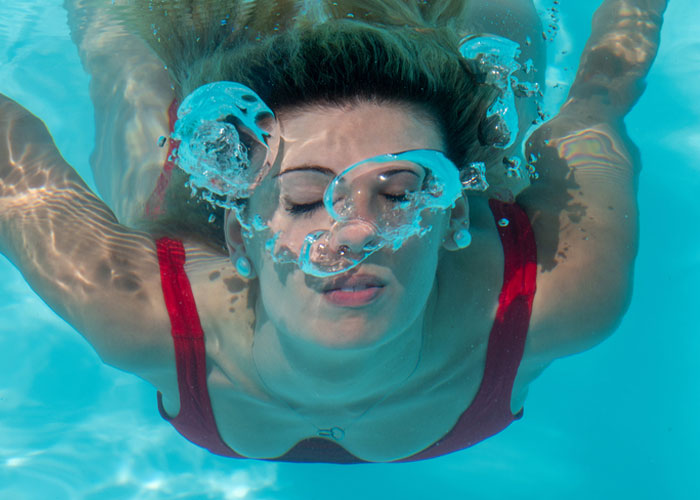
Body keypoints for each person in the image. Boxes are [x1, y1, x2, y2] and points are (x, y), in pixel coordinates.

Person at [0, 0, 667, 463]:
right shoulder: (139, 305)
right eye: (302, 198)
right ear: (240, 234)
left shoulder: (560, 293)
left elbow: (597, 104)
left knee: (495, 76)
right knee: (130, 73)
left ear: (452, 214)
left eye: (401, 192)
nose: (353, 233)